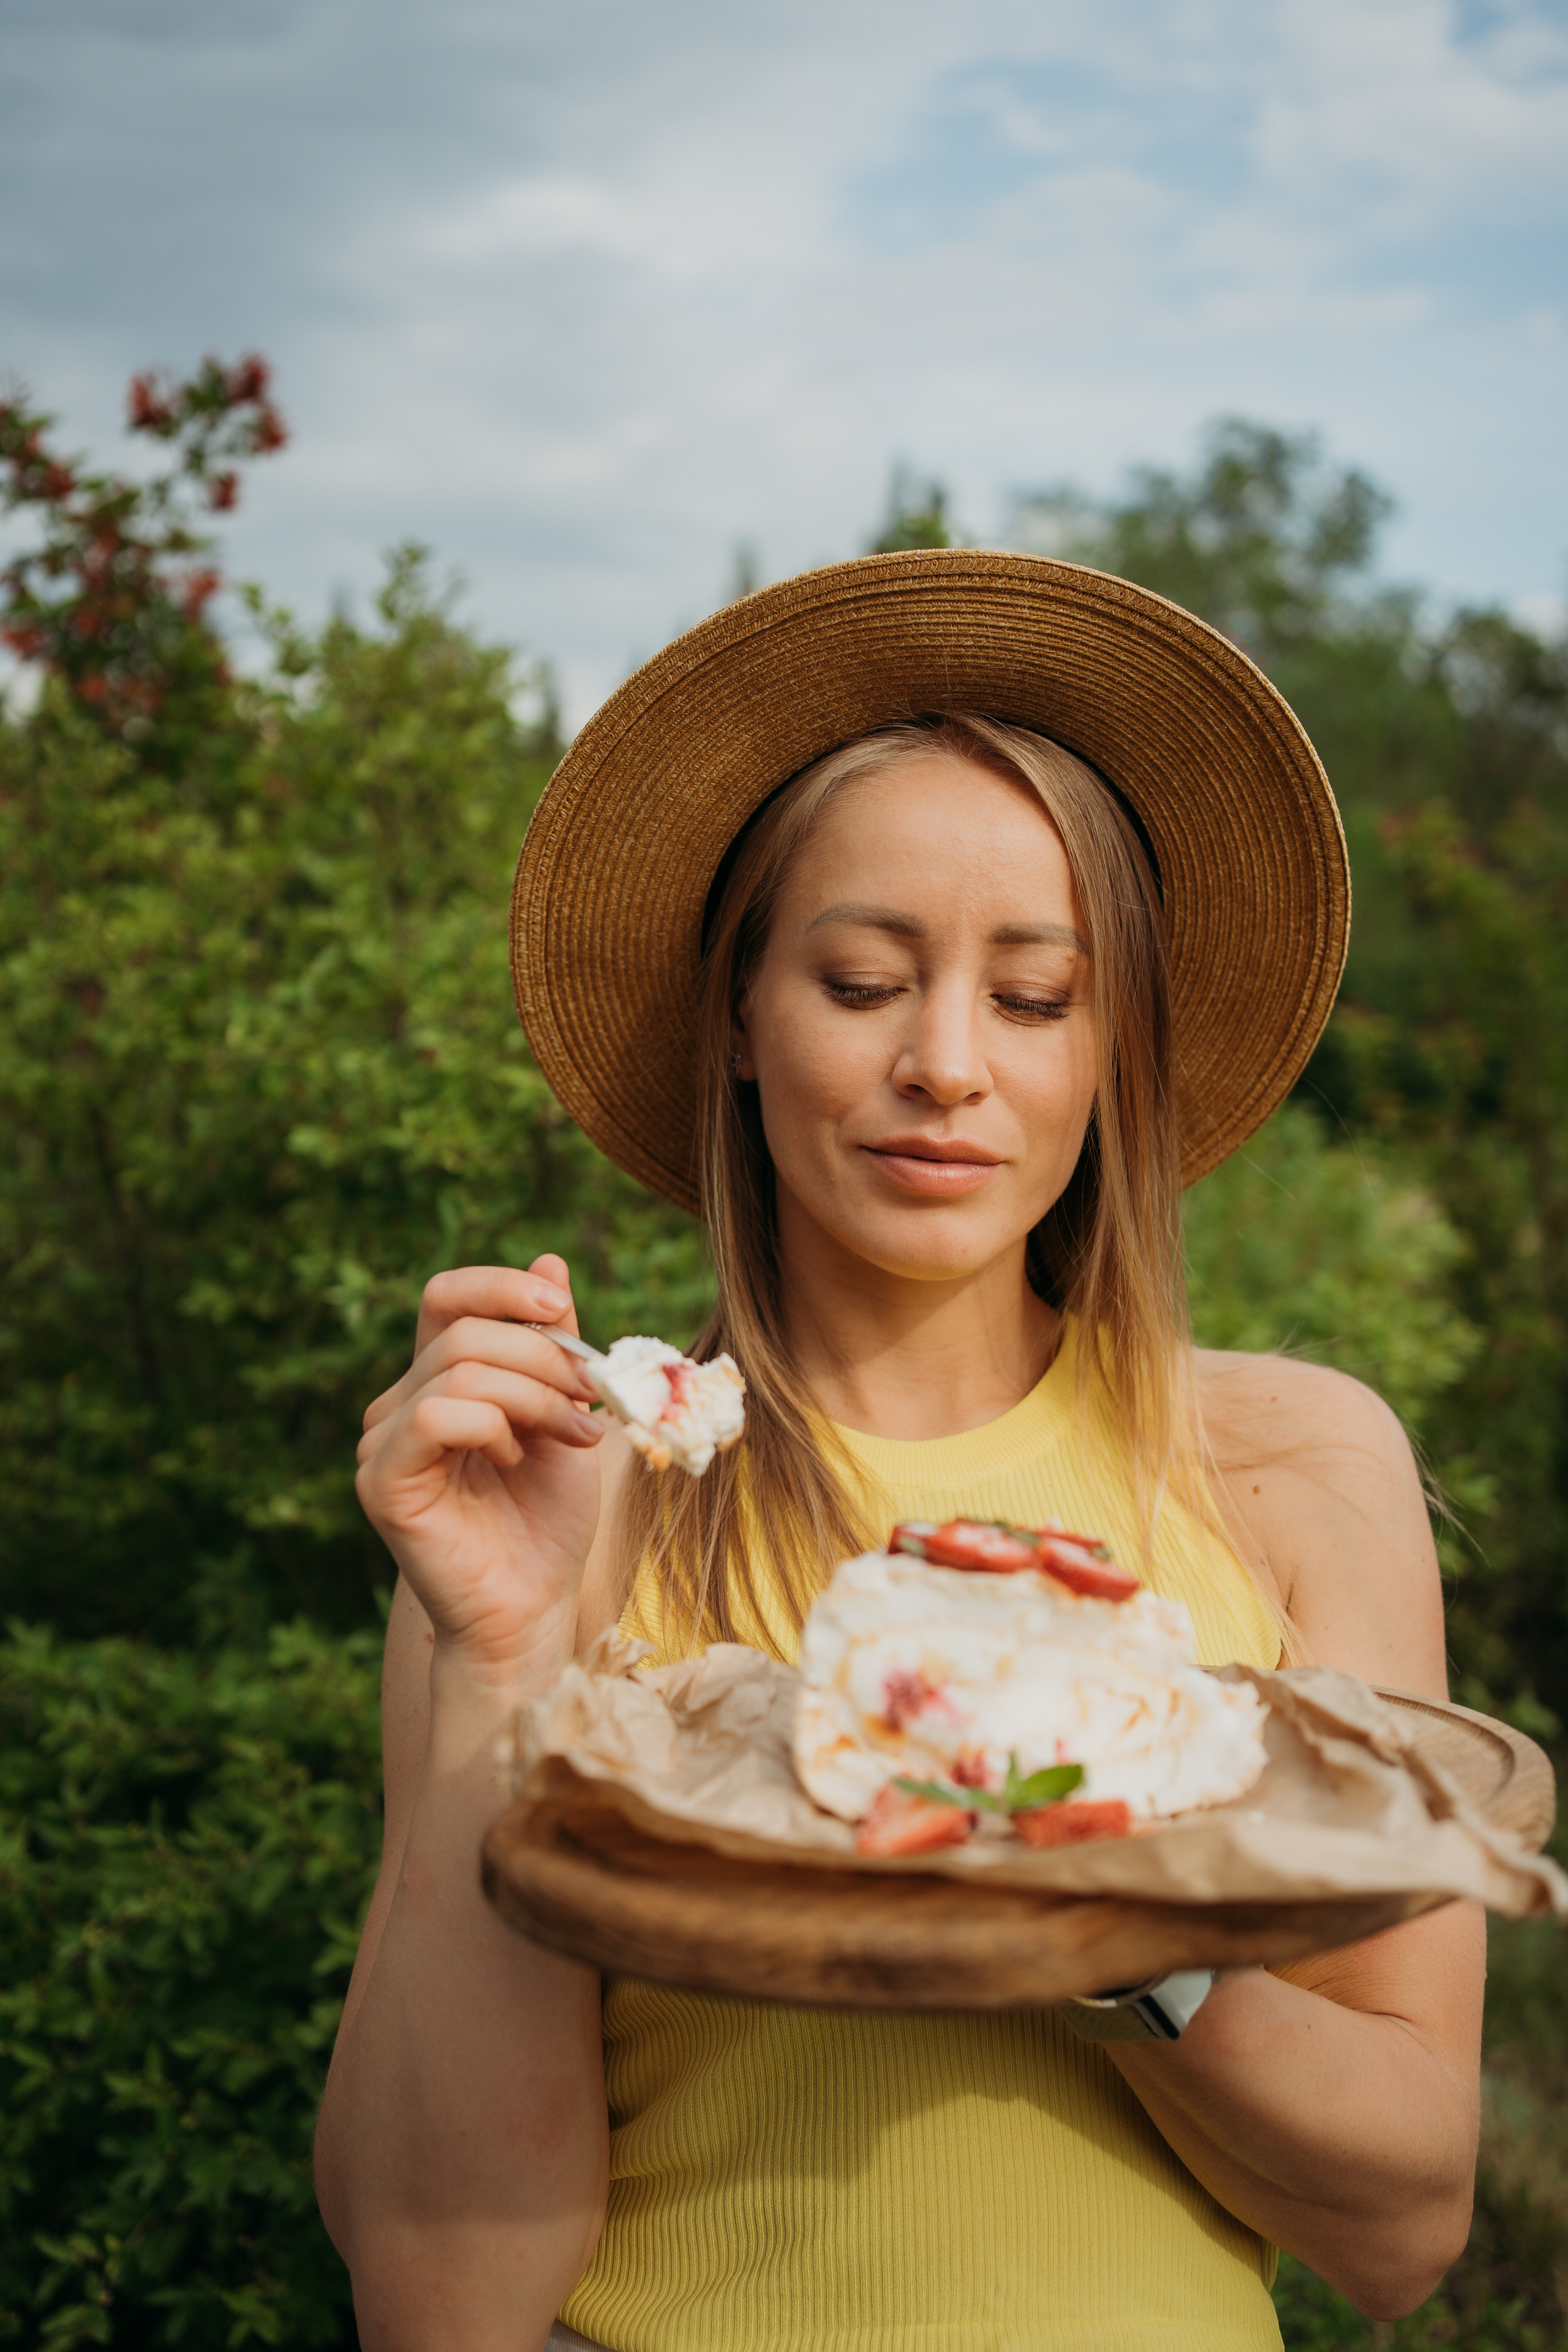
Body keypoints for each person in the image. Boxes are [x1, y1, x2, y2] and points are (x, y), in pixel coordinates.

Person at [314, 552, 1483, 2352]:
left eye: (1034, 998)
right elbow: (438, 2303)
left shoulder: (1295, 1466)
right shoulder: (563, 1500)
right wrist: (497, 1658)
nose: (946, 1063)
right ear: (738, 1018)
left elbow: (1405, 2222)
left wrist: (1116, 1921)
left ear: (1115, 1048)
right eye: (862, 981)